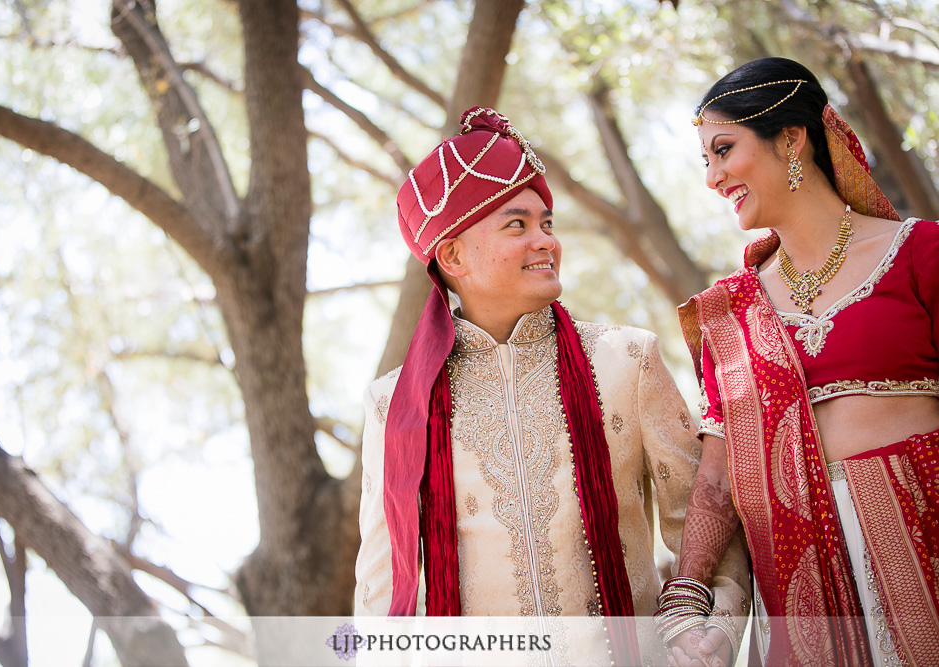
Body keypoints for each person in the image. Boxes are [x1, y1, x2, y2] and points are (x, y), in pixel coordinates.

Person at [352, 107, 751, 665]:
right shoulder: (395, 405)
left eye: (547, 224)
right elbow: (378, 587)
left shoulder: (626, 360)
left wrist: (712, 632)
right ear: (452, 255)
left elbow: (706, 522)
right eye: (517, 225)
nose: (545, 241)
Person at [668, 57, 939, 666]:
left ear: (791, 138)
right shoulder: (731, 312)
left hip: (923, 551)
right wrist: (686, 600)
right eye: (705, 160)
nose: (713, 177)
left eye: (723, 149)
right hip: (801, 584)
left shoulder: (922, 254)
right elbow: (717, 480)